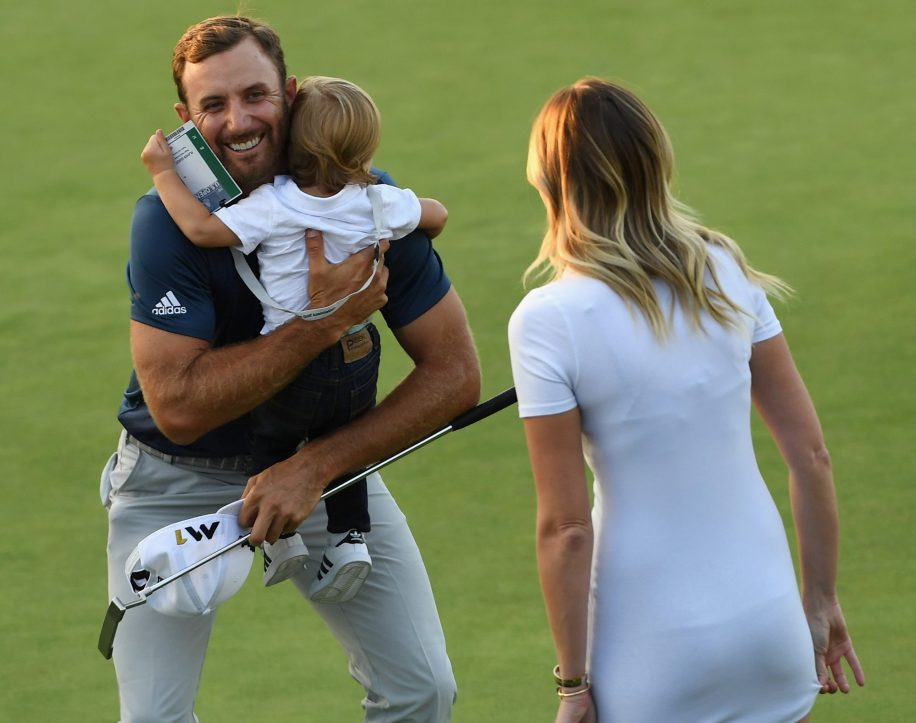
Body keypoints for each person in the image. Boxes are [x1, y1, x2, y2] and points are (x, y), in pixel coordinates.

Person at [101, 14, 480, 723]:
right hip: (171, 479)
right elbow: (179, 407)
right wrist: (325, 323)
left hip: (323, 474)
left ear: (291, 94)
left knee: (422, 690)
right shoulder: (165, 222)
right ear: (186, 118)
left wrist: (316, 467)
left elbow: (456, 375)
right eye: (213, 105)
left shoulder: (364, 199)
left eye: (256, 96)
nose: (238, 121)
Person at [507, 78, 865, 723]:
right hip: (771, 630)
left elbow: (565, 531)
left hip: (651, 656)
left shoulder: (546, 319)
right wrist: (821, 603)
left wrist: (572, 686)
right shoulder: (724, 267)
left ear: (553, 182)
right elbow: (811, 455)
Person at [139, 74, 449, 601]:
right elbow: (436, 214)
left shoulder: (277, 202)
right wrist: (406, 222)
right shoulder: (380, 200)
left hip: (295, 370)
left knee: (272, 442)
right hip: (358, 361)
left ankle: (279, 543)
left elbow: (202, 229)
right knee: (347, 447)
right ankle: (350, 540)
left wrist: (164, 171)